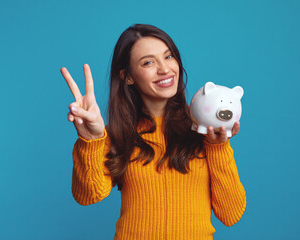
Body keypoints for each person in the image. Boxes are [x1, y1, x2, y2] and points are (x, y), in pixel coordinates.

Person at [60, 24, 246, 240]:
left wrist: (218, 147)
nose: (165, 69)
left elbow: (230, 214)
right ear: (128, 76)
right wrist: (90, 140)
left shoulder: (203, 132)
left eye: (168, 57)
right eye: (148, 62)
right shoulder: (117, 135)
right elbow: (88, 195)